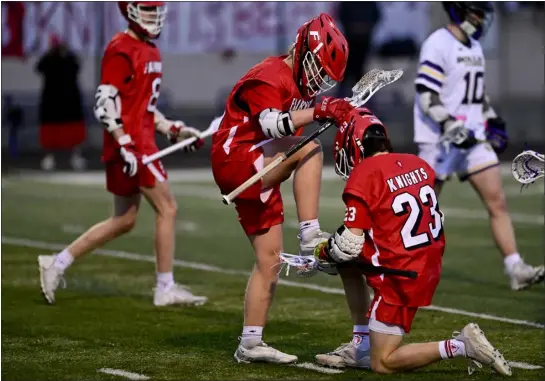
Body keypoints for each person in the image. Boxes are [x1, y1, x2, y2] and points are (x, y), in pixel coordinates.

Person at [313, 107, 511, 376]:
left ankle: (459, 346)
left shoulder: (366, 172)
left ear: (353, 144)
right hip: (425, 264)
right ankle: (361, 343)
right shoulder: (417, 163)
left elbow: (349, 242)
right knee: (348, 266)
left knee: (382, 362)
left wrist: (322, 252)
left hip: (399, 274)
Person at [38, 1, 207, 307]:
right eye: (147, 9)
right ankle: (164, 287)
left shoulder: (151, 50)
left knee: (124, 220)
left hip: (138, 142)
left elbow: (144, 108)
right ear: (129, 9)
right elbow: (105, 102)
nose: (154, 16)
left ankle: (56, 262)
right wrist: (124, 142)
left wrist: (173, 129)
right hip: (132, 145)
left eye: (156, 10)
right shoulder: (121, 47)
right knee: (168, 208)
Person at [211, 13, 352, 364]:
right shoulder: (270, 75)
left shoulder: (295, 81)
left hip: (259, 162)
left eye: (324, 79)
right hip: (237, 158)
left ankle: (250, 344)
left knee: (269, 261)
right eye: (317, 70)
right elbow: (273, 125)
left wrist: (330, 110)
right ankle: (309, 234)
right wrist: (321, 110)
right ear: (302, 50)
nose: (318, 83)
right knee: (309, 148)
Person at [413, 1, 544, 290]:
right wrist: (449, 124)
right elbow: (425, 93)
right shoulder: (437, 43)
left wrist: (492, 118)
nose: (482, 18)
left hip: (472, 137)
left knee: (497, 201)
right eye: (478, 12)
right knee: (423, 211)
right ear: (459, 10)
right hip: (440, 140)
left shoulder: (474, 46)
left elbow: (476, 93)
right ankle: (406, 268)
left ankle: (515, 267)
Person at [36, 35, 87, 171]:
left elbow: (77, 67)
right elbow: (39, 68)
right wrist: (49, 53)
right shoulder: (48, 60)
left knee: (73, 132)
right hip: (52, 103)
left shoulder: (70, 59)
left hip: (69, 103)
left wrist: (67, 54)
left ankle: (76, 156)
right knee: (49, 133)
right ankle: (49, 157)